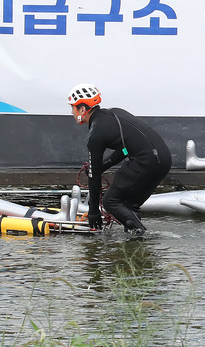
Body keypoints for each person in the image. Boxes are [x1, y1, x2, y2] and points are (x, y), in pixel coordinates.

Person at [68, 83, 170, 235]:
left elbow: (94, 176)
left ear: (82, 109)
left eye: (73, 108)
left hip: (146, 160)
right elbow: (124, 149)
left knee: (111, 201)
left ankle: (144, 237)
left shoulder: (96, 133)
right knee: (129, 205)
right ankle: (136, 247)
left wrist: (94, 211)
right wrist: (103, 166)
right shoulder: (115, 113)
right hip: (164, 158)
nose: (72, 112)